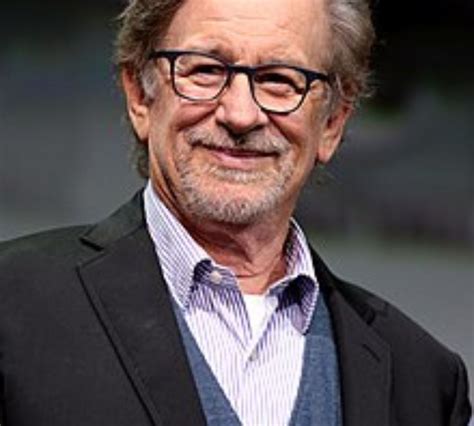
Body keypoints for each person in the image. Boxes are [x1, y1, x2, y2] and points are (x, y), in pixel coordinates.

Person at [0, 0, 471, 424]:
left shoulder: (424, 382)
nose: (241, 114)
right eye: (205, 70)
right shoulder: (12, 305)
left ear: (332, 122)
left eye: (279, 80)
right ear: (140, 96)